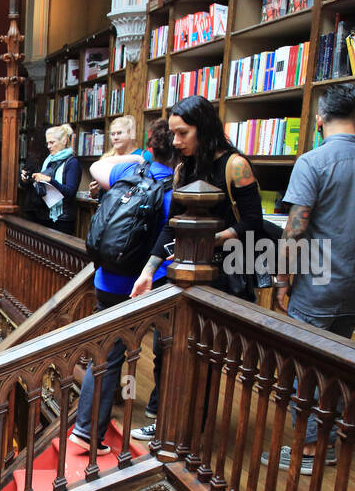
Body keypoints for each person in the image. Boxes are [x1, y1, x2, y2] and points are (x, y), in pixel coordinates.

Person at [268, 83, 355, 475]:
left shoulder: (314, 161)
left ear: (319, 119)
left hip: (317, 282)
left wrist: (282, 280)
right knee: (337, 364)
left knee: (302, 366)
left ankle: (310, 448)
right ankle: (328, 441)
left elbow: (294, 230)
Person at [69, 118, 177, 453]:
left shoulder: (128, 174)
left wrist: (139, 158)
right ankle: (89, 431)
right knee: (146, 352)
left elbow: (100, 166)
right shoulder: (173, 191)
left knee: (106, 353)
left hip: (105, 278)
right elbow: (168, 246)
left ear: (150, 148)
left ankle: (86, 428)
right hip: (140, 285)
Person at [135, 94, 267, 302]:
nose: (176, 142)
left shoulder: (236, 166)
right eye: (173, 134)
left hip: (228, 274)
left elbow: (252, 223)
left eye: (183, 133)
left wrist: (202, 243)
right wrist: (147, 272)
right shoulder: (183, 168)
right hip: (188, 272)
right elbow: (171, 226)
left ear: (204, 129)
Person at [23, 124, 80, 234]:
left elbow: (70, 192)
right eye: (47, 143)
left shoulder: (72, 162)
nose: (48, 146)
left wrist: (49, 180)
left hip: (63, 219)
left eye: (52, 142)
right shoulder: (49, 160)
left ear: (64, 141)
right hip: (46, 215)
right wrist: (30, 179)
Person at [89, 115, 150, 197]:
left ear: (130, 134)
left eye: (119, 133)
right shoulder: (106, 158)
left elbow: (151, 187)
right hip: (107, 207)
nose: (115, 137)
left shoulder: (144, 156)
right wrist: (94, 192)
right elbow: (99, 195)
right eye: (112, 134)